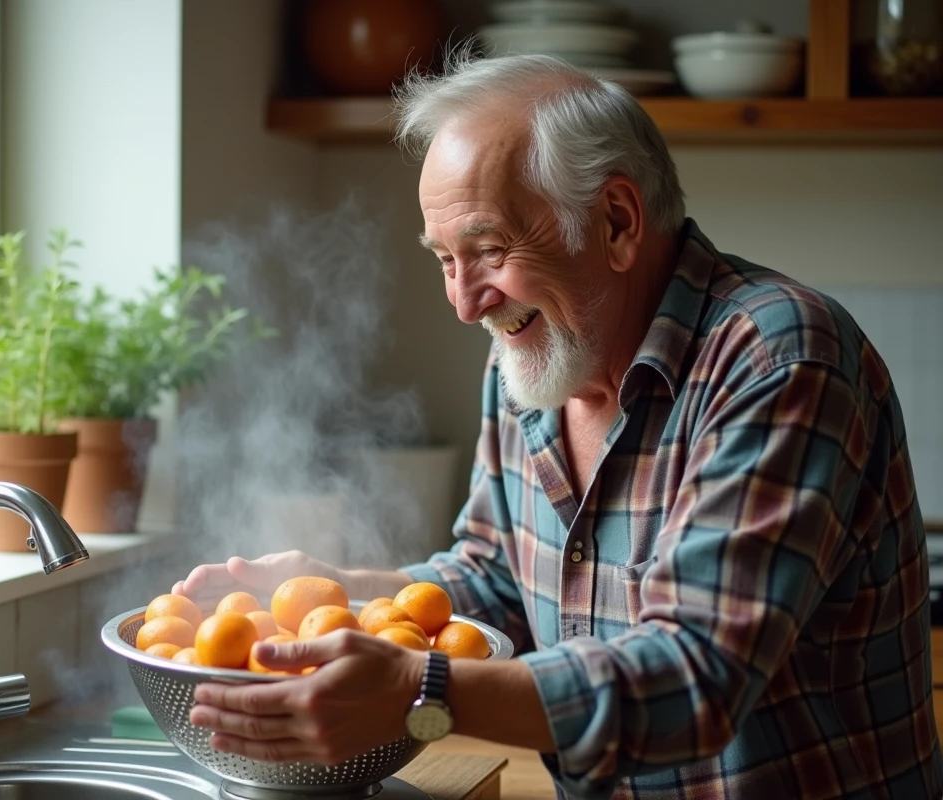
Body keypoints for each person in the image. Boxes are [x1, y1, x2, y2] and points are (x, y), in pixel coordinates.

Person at [172, 50, 943, 799]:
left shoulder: (778, 358)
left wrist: (419, 686)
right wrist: (349, 595)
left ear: (614, 221)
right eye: (445, 259)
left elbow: (696, 677)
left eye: (488, 249)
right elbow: (494, 580)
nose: (465, 301)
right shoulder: (527, 362)